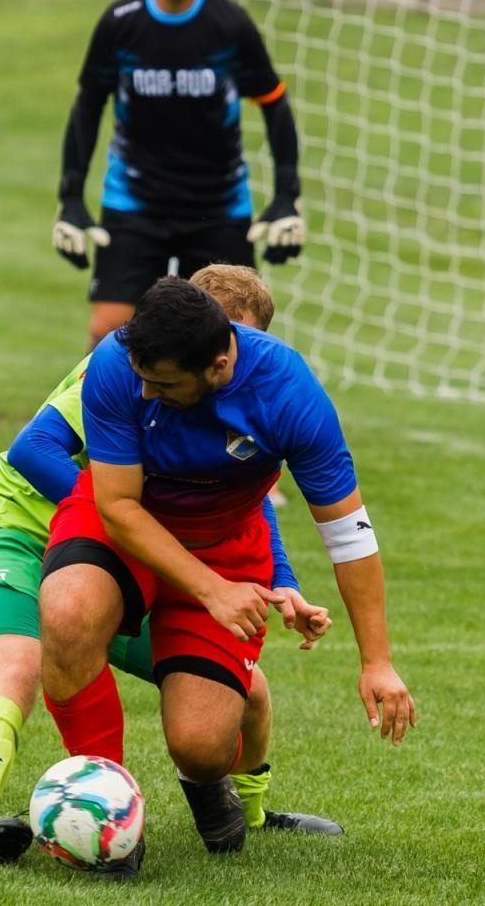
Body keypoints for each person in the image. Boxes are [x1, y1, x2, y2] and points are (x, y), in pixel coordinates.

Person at [0, 266, 340, 866]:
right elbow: (33, 449)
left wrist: (281, 581)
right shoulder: (131, 372)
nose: (236, 364)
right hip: (19, 531)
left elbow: (239, 492)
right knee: (21, 663)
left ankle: (249, 812)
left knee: (246, 689)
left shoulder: (230, 383)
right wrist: (137, 518)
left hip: (133, 551)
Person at [39, 276, 416, 874]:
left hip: (225, 549)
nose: (145, 392)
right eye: (142, 377)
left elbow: (348, 533)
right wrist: (211, 590)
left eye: (163, 384)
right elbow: (117, 506)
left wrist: (377, 661)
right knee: (67, 612)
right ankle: (108, 812)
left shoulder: (288, 392)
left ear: (218, 366)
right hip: (124, 525)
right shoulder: (117, 362)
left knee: (202, 748)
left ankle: (211, 774)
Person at [50, 0, 307, 348]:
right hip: (134, 203)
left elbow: (274, 102)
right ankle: (117, 399)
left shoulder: (230, 25)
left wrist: (287, 197)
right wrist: (70, 198)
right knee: (108, 334)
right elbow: (88, 105)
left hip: (218, 206)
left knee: (234, 339)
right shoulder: (121, 22)